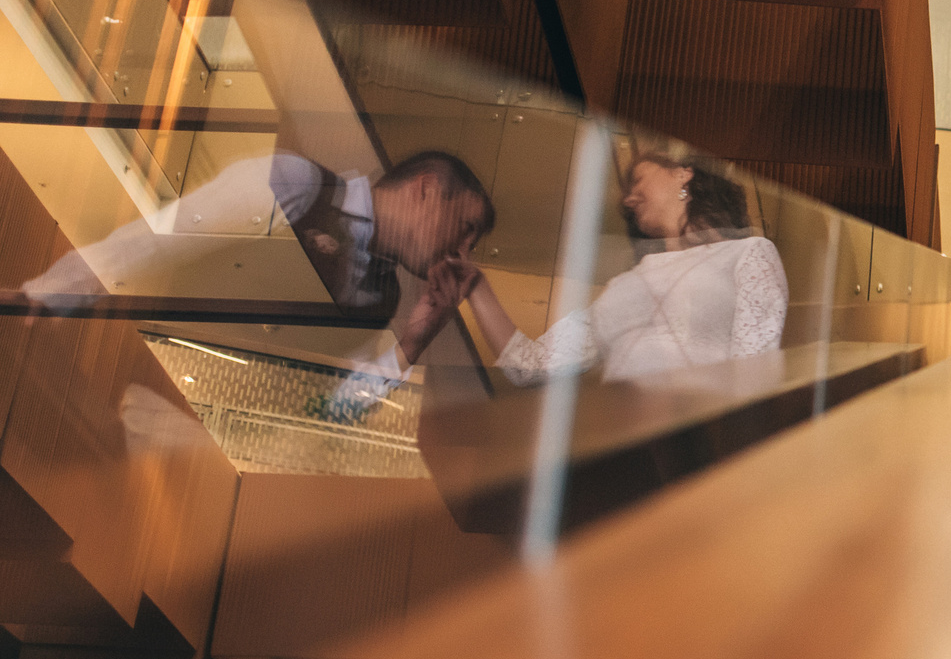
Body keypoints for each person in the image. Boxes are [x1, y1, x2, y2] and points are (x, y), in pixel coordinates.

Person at [24, 147, 492, 385]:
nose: (464, 251)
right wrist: (39, 302)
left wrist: (412, 342)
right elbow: (155, 243)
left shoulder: (380, 298)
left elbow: (328, 410)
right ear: (426, 189)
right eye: (466, 226)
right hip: (111, 364)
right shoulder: (299, 182)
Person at [464, 152, 786, 384]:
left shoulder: (748, 252)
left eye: (638, 181)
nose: (629, 200)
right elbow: (529, 367)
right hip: (620, 449)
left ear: (682, 173)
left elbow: (753, 373)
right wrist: (474, 283)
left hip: (697, 446)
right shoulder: (623, 285)